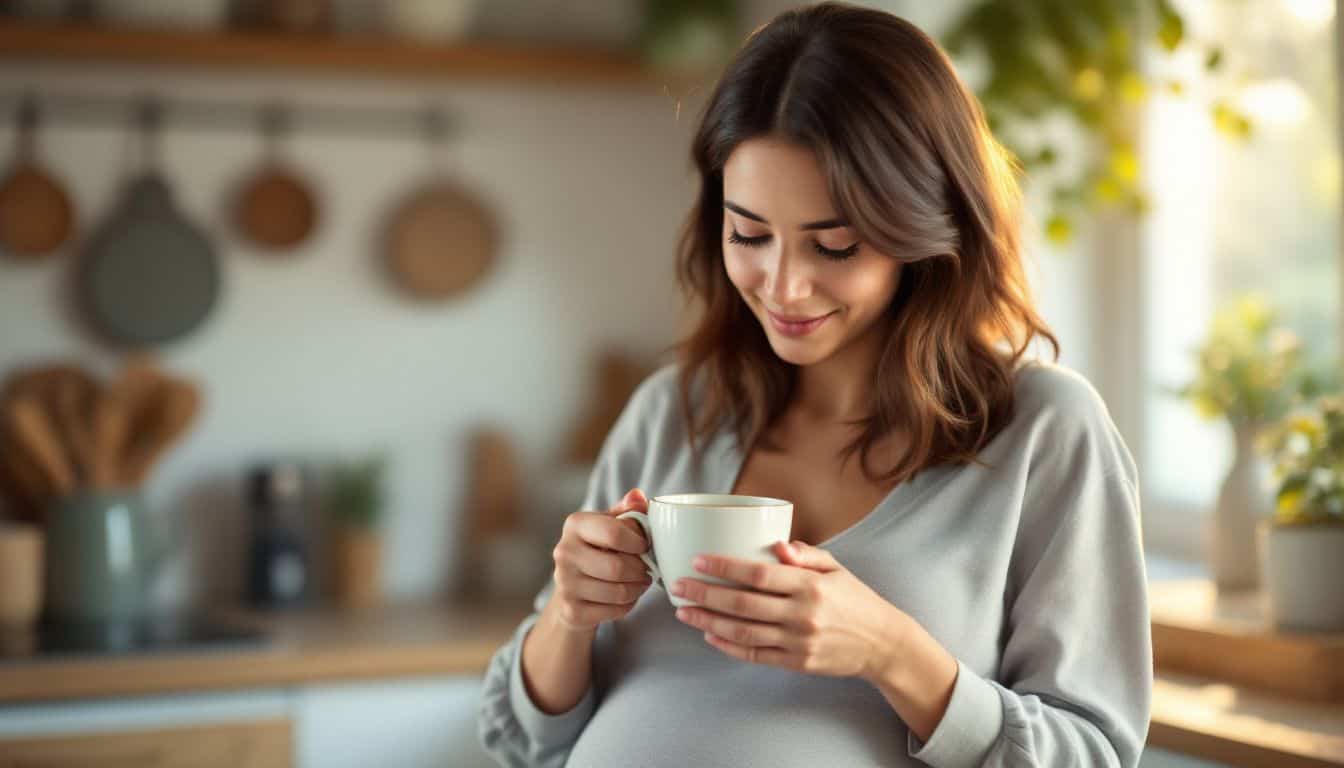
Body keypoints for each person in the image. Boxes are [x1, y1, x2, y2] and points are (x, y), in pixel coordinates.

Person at [477, 3, 1151, 766]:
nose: (784, 287)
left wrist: (892, 653)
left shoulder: (1043, 431)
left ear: (927, 233)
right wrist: (569, 611)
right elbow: (524, 740)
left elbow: (1091, 754)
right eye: (750, 235)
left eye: (835, 245)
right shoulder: (674, 411)